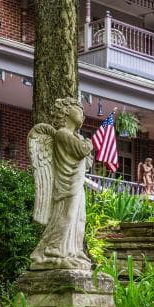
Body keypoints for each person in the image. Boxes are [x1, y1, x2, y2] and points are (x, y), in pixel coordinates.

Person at [28, 98, 93, 269]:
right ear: (66, 111)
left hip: (77, 183)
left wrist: (84, 145)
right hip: (67, 185)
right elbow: (82, 151)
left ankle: (74, 250)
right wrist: (88, 144)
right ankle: (53, 250)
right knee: (67, 216)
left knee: (80, 218)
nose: (83, 115)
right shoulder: (62, 134)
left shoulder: (75, 137)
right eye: (79, 110)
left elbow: (88, 162)